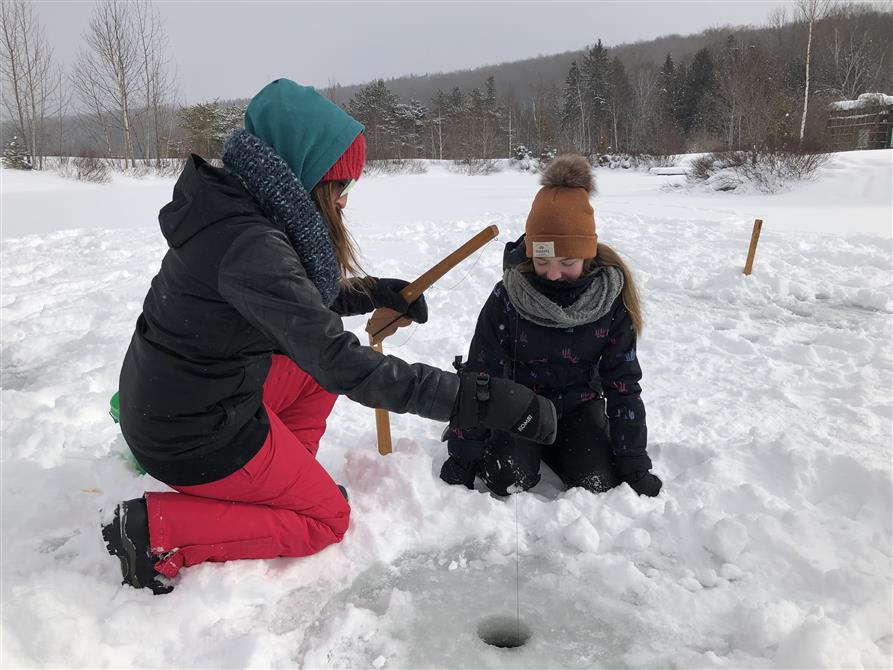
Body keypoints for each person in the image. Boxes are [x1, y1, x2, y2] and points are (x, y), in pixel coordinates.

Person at [102, 79, 558, 595]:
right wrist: (476, 398)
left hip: (176, 396)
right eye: (339, 187)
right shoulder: (250, 242)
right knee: (327, 521)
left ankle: (282, 487)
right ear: (305, 175)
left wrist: (372, 292)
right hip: (191, 433)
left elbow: (288, 301)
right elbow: (343, 363)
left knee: (309, 374)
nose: (343, 202)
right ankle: (156, 531)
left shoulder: (234, 205)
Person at [440, 153, 662, 499]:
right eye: (542, 260)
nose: (554, 273)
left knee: (598, 485)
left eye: (568, 262)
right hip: (517, 406)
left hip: (578, 407)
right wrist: (464, 454)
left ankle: (565, 448)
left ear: (587, 255)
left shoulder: (609, 301)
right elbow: (480, 376)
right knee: (507, 480)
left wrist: (633, 462)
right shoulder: (508, 296)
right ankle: (522, 450)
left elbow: (623, 385)